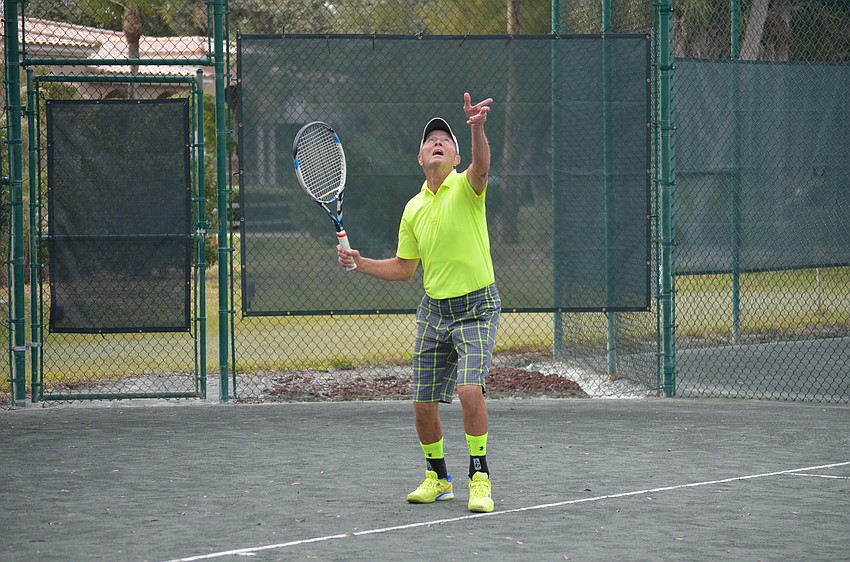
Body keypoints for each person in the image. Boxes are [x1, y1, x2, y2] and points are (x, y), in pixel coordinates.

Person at [337, 93, 501, 513]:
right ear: (420, 157)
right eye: (431, 141)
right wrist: (361, 263)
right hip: (433, 311)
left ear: (456, 156)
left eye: (446, 139)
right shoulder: (412, 208)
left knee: (468, 389)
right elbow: (405, 268)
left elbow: (483, 166)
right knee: (422, 402)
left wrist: (477, 127)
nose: (439, 142)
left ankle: (479, 477)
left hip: (477, 308)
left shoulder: (467, 186)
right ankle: (438, 477)